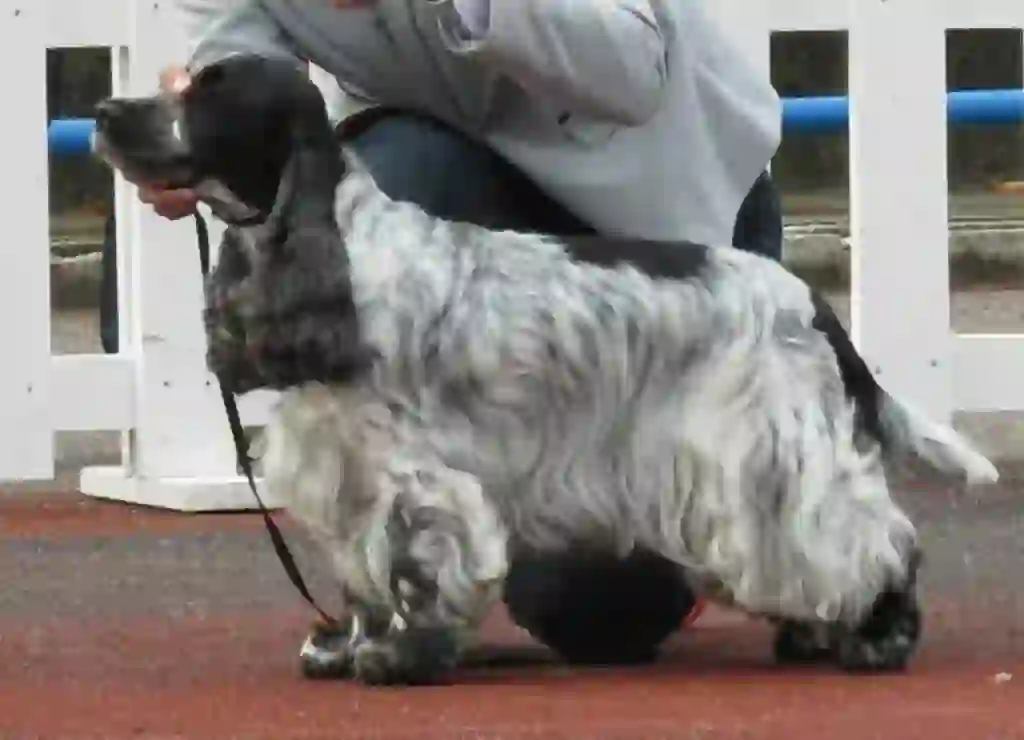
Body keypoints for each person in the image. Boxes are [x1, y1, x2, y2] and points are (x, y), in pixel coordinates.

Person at [128, 0, 784, 667]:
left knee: (601, 612)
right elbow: (251, 96)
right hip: (450, 200)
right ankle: (409, 570)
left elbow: (633, 68)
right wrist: (201, 145)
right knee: (378, 179)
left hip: (663, 224)